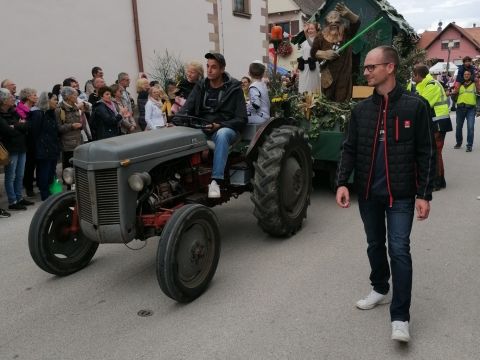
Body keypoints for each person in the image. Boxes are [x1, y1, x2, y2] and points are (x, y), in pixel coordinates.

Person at [335, 46, 436, 343]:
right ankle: (380, 287)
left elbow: (426, 152)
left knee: (400, 250)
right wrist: (342, 181)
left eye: (370, 67)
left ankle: (400, 317)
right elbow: (349, 148)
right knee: (374, 244)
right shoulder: (362, 110)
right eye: (365, 68)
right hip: (369, 192)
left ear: (389, 68)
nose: (365, 72)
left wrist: (424, 193)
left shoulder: (415, 107)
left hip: (402, 195)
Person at [174, 52, 247, 198]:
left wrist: (219, 125)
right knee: (180, 135)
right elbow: (187, 107)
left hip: (227, 128)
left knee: (222, 134)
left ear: (222, 69)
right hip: (203, 127)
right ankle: (181, 178)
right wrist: (175, 121)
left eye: (214, 67)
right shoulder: (201, 86)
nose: (209, 70)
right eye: (208, 66)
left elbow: (241, 118)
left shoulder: (234, 88)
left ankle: (216, 182)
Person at [311, 2, 360, 102]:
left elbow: (356, 23)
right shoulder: (320, 36)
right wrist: (325, 54)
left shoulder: (346, 33)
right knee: (327, 102)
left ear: (341, 22)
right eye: (330, 21)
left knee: (342, 101)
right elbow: (313, 53)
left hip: (343, 76)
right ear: (326, 23)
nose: (333, 22)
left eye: (336, 21)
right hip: (327, 76)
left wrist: (349, 14)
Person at [413, 64, 451, 190]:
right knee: (435, 152)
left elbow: (423, 104)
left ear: (419, 75)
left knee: (435, 152)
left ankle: (438, 182)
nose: (413, 77)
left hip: (438, 122)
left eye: (414, 75)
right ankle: (440, 180)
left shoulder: (431, 85)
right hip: (436, 122)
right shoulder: (425, 84)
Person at [0, 88, 33, 210]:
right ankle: (12, 201)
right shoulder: (1, 115)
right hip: (10, 148)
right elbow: (7, 131)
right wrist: (19, 125)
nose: (13, 98)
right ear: (3, 101)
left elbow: (27, 125)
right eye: (10, 97)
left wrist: (16, 126)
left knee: (20, 175)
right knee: (11, 176)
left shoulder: (14, 111)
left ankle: (19, 198)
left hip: (21, 146)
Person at [28, 92, 61, 201]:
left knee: (52, 171)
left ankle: (55, 192)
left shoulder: (51, 113)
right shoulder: (38, 114)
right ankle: (45, 194)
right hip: (43, 149)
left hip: (52, 147)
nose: (56, 102)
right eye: (54, 99)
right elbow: (35, 133)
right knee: (44, 172)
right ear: (47, 101)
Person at [56, 86, 83, 189]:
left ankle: (78, 186)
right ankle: (69, 187)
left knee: (78, 166)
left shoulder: (75, 106)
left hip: (78, 141)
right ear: (68, 97)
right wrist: (71, 126)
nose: (77, 97)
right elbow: (58, 128)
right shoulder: (60, 109)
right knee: (68, 167)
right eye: (75, 95)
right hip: (67, 143)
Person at [17, 88, 38, 197]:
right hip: (26, 141)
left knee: (33, 164)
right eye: (34, 95)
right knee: (28, 165)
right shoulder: (20, 110)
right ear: (28, 97)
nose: (36, 97)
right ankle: (27, 187)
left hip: (34, 140)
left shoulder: (32, 110)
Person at [452, 69, 479, 152]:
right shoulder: (459, 84)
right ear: (463, 76)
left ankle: (469, 145)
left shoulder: (475, 84)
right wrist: (454, 97)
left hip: (471, 108)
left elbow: (479, 97)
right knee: (459, 127)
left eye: (468, 74)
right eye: (465, 74)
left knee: (470, 127)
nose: (466, 75)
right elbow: (454, 96)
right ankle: (459, 142)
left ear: (470, 75)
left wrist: (478, 109)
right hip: (460, 108)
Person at [298, 22, 321, 94]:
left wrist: (305, 34)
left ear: (316, 30)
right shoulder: (303, 42)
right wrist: (296, 67)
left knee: (313, 88)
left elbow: (312, 45)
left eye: (312, 29)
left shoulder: (318, 40)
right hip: (303, 68)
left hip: (313, 66)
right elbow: (301, 55)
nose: (310, 30)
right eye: (309, 29)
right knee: (303, 87)